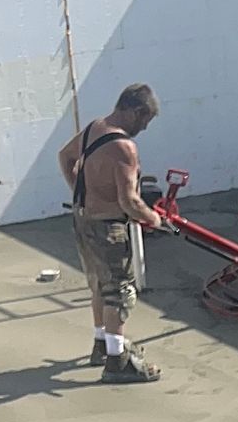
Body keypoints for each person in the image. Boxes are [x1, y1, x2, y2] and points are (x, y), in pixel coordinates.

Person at [57, 85, 163, 384]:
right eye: (146, 120)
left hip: (83, 219)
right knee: (120, 292)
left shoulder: (95, 129)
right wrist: (154, 218)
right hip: (108, 228)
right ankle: (117, 362)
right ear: (136, 111)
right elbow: (129, 200)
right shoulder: (124, 147)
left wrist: (81, 191)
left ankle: (102, 344)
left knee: (99, 286)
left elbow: (65, 156)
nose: (143, 127)